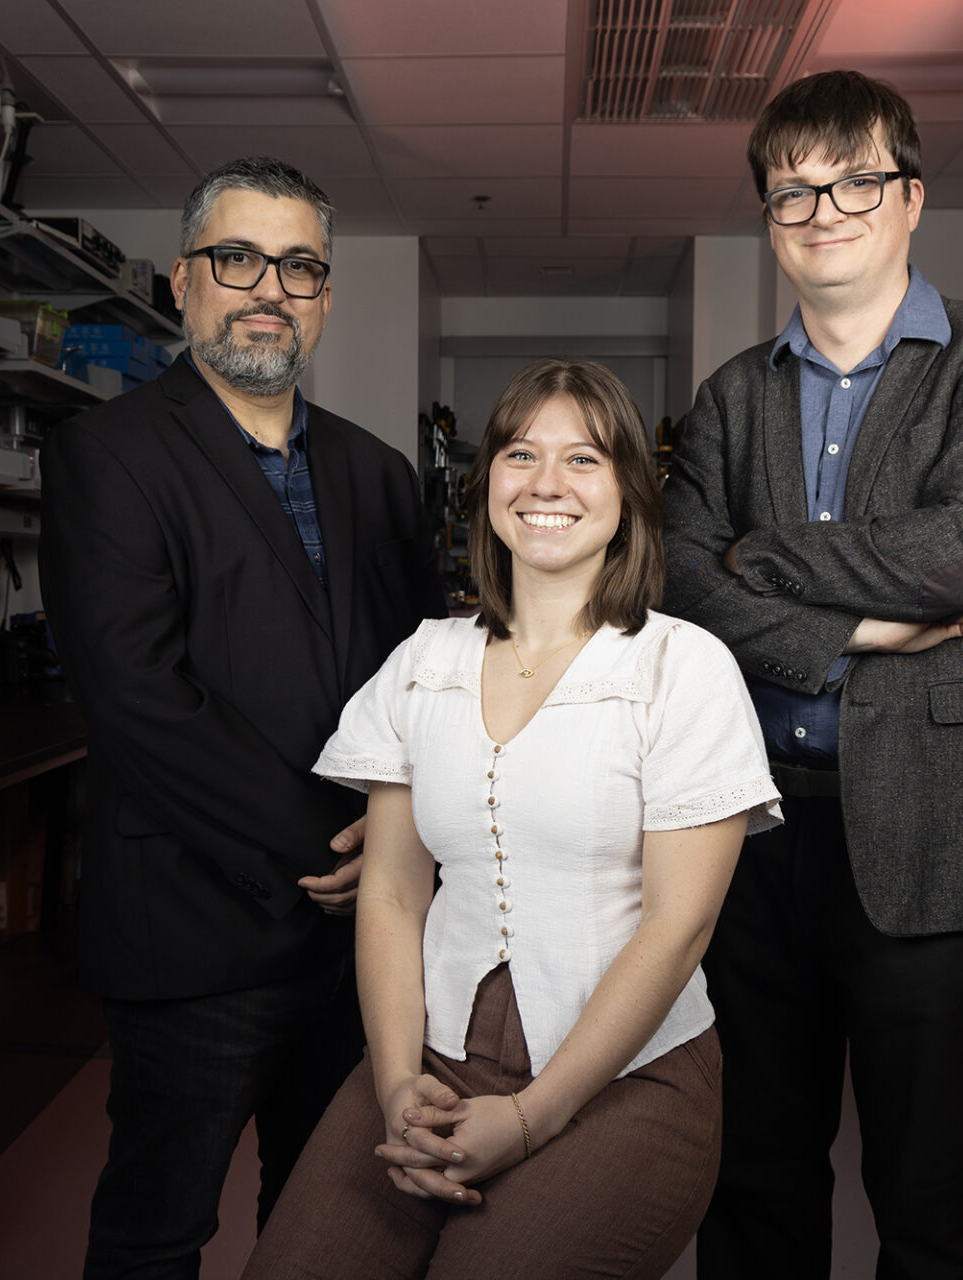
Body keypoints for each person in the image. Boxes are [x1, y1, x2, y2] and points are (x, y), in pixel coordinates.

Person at [660, 71, 963, 1280]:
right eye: (793, 187)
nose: (823, 207)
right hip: (752, 837)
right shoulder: (734, 394)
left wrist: (758, 552)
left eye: (855, 179)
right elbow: (677, 579)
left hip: (947, 831)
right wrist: (849, 630)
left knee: (931, 1197)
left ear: (910, 198)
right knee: (752, 1173)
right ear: (769, 216)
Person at [240, 359, 781, 1280]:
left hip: (626, 1077)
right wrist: (396, 1083)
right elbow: (394, 898)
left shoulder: (681, 668)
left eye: (584, 460)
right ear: (486, 479)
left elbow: (679, 925)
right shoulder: (425, 660)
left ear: (629, 494)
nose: (545, 484)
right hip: (434, 1054)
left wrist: (530, 1120)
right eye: (521, 453)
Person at [39, 155, 446, 1280]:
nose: (270, 286)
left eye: (300, 266)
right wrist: (340, 841)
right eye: (238, 258)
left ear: (324, 296)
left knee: (324, 1218)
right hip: (194, 928)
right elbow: (137, 698)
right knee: (158, 1227)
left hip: (359, 938)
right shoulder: (106, 457)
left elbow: (426, 674)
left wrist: (399, 838)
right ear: (182, 281)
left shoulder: (380, 474)